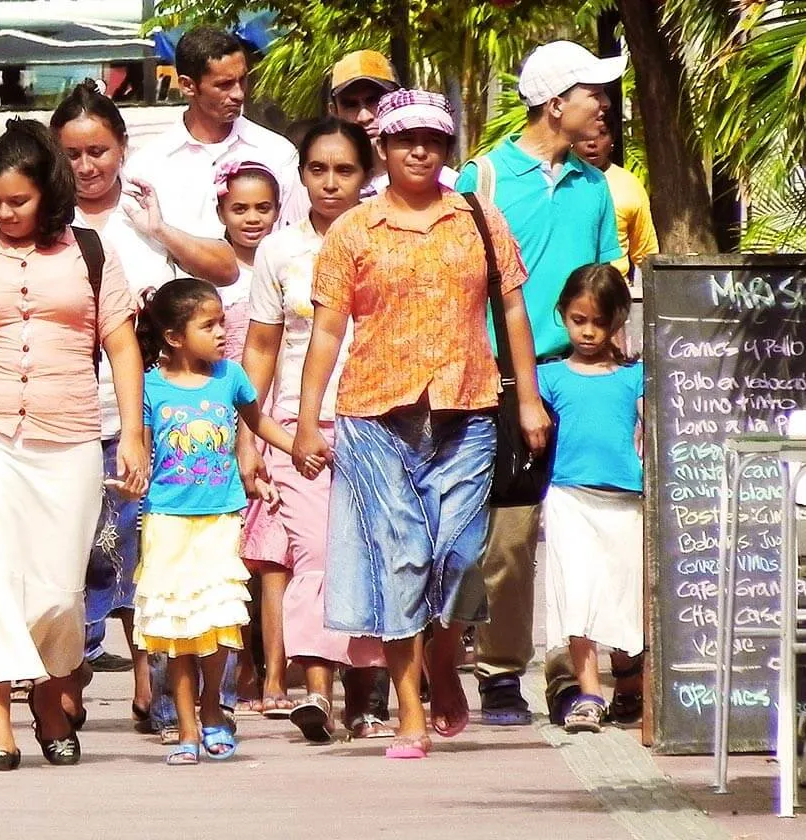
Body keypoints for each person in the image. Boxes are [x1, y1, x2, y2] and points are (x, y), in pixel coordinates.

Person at [294, 89, 550, 759]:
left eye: (433, 140)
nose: (419, 150)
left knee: (461, 557)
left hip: (467, 409)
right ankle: (410, 710)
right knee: (401, 561)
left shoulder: (477, 217)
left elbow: (514, 310)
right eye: (405, 139)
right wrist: (305, 421)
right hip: (376, 414)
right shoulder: (354, 230)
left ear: (447, 149)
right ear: (381, 147)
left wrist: (527, 399)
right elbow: (326, 331)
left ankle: (444, 658)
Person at [0, 118, 147, 771]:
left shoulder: (91, 254)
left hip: (68, 435)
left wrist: (132, 432)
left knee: (57, 591)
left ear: (49, 192)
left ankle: (49, 692)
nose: (4, 212)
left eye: (17, 200)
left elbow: (122, 343)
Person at [49, 80, 238, 726]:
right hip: (67, 415)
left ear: (122, 148)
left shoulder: (146, 212)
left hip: (147, 419)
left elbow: (225, 266)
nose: (86, 166)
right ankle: (66, 677)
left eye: (98, 150)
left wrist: (162, 242)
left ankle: (152, 687)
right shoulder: (48, 227)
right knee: (76, 561)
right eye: (72, 154)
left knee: (144, 558)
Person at [454, 40, 627, 727]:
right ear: (557, 103)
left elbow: (608, 279)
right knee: (510, 537)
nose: (604, 105)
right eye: (593, 92)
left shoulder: (596, 185)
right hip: (498, 383)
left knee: (581, 531)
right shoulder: (484, 178)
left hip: (581, 379)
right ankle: (499, 673)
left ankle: (568, 676)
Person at [241, 117, 389, 742]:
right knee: (318, 553)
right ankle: (317, 693)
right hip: (301, 431)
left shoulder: (387, 240)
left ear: (367, 175)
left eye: (345, 170)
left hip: (384, 422)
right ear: (301, 175)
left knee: (377, 558)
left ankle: (369, 702)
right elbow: (261, 351)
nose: (330, 183)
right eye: (317, 170)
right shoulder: (280, 251)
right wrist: (251, 436)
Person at [132, 277, 305, 764]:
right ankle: (186, 725)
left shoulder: (231, 377)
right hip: (167, 519)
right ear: (173, 337)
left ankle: (213, 710)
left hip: (221, 518)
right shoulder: (150, 387)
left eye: (221, 322)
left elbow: (260, 423)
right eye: (208, 325)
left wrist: (299, 447)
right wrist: (131, 480)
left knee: (219, 620)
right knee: (178, 627)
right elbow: (140, 451)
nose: (221, 332)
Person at [539, 264, 644, 733]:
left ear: (618, 320)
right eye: (578, 319)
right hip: (568, 499)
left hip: (628, 501)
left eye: (598, 322)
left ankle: (631, 683)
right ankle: (589, 695)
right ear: (562, 315)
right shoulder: (549, 378)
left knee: (627, 596)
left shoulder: (636, 377)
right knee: (577, 595)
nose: (587, 331)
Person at [212, 160, 290, 716]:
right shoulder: (209, 272)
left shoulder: (288, 263)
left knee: (275, 558)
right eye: (240, 208)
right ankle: (235, 674)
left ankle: (277, 677)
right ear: (220, 212)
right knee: (229, 556)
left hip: (276, 424)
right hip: (214, 433)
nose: (252, 218)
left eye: (263, 207)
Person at [124, 25, 307, 241]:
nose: (238, 94)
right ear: (187, 86)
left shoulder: (278, 154)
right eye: (224, 85)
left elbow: (297, 241)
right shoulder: (147, 166)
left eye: (242, 80)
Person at [326, 50, 457, 197]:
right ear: (334, 112)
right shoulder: (326, 189)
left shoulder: (448, 184)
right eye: (350, 105)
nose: (364, 117)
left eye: (374, 100)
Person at [574, 124, 658, 279]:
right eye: (585, 133)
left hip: (613, 293)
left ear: (612, 139)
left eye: (601, 133)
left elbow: (645, 255)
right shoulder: (559, 181)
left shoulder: (629, 185)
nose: (592, 142)